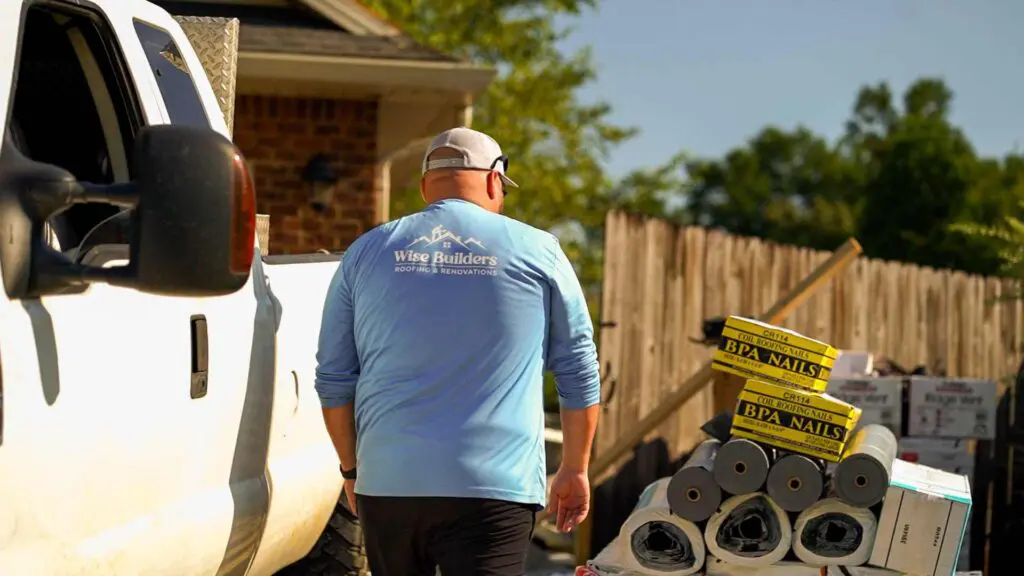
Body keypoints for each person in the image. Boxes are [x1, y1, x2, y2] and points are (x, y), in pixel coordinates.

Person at [314, 127, 601, 576]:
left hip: (389, 483)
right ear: (493, 180)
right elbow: (578, 367)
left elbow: (333, 378)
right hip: (495, 488)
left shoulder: (366, 251)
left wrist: (353, 471)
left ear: (427, 186)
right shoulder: (539, 251)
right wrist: (575, 467)